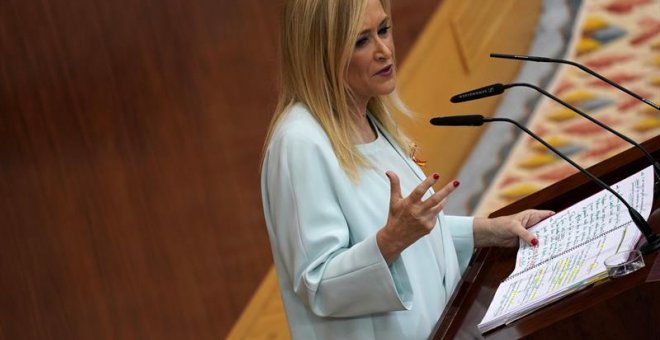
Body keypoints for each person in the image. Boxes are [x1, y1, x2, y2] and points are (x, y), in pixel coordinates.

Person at [260, 0, 553, 338]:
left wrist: (490, 231)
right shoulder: (298, 144)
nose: (385, 50)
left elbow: (415, 238)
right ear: (321, 53)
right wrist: (390, 241)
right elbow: (318, 284)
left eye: (383, 30)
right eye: (361, 41)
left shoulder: (369, 118)